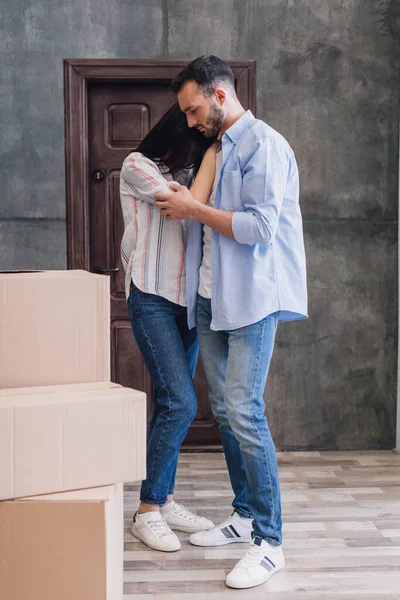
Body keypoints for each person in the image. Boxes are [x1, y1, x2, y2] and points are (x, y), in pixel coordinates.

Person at [155, 56, 308, 588]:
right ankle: (244, 515)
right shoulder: (217, 147)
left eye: (195, 109)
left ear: (220, 96)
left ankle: (270, 542)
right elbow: (194, 211)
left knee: (245, 411)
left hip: (250, 302)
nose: (192, 121)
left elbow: (262, 227)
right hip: (209, 299)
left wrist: (192, 211)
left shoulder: (265, 144)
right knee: (225, 409)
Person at [120, 102, 217, 552]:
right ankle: (147, 510)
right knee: (181, 402)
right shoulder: (137, 165)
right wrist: (214, 152)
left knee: (167, 404)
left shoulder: (194, 170)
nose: (200, 141)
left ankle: (165, 497)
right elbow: (185, 205)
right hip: (152, 297)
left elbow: (201, 206)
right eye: (196, 135)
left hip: (189, 301)